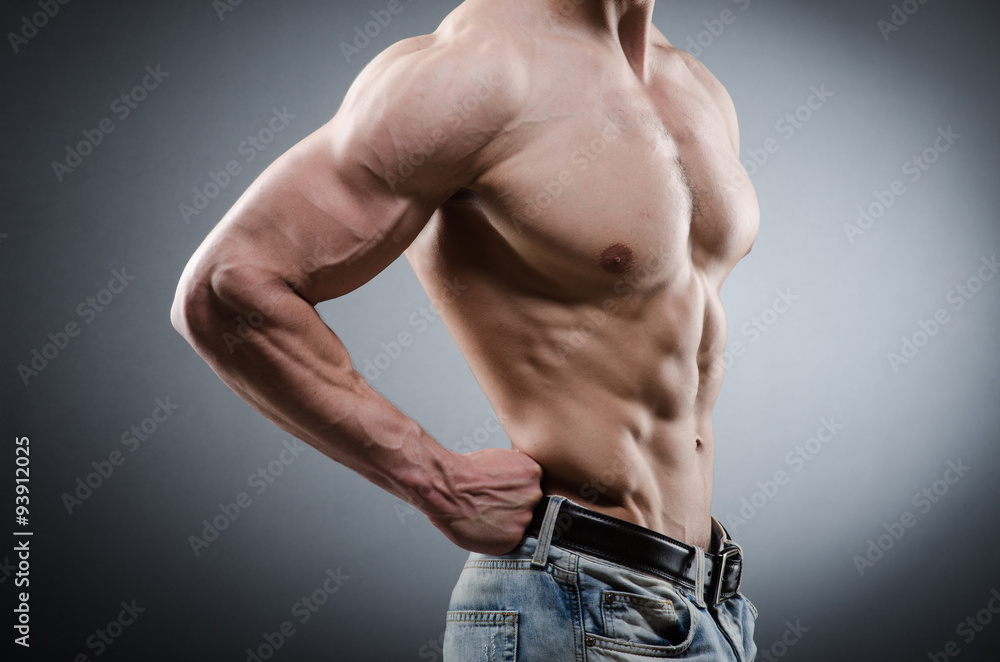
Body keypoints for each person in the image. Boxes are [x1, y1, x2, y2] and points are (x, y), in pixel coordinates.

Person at [170, 0, 760, 659]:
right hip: (572, 602)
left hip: (711, 604)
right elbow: (227, 286)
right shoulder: (480, 72)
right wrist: (433, 478)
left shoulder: (694, 86)